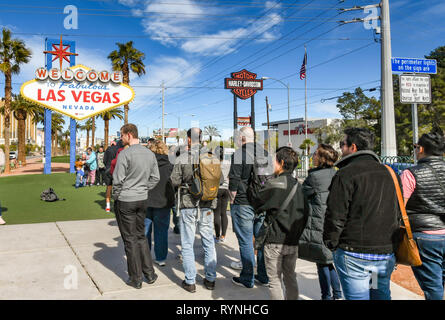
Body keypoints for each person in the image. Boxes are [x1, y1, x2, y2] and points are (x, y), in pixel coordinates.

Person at [323, 128, 400, 300]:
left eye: (343, 144)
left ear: (353, 147)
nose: (340, 149)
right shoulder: (391, 173)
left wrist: (332, 243)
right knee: (379, 295)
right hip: (383, 253)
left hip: (353, 254)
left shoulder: (345, 174)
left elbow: (335, 215)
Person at [256, 147, 308, 300]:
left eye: (274, 160)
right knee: (290, 278)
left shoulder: (275, 184)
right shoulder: (300, 186)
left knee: (275, 281)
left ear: (282, 162)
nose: (272, 163)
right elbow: (306, 214)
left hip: (275, 240)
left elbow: (258, 202)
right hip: (293, 241)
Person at [112, 123, 160, 289]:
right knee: (140, 236)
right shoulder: (149, 153)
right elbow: (155, 178)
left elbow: (117, 180)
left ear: (129, 135)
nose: (120, 138)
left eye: (122, 135)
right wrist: (143, 189)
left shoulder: (125, 154)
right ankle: (150, 274)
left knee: (130, 239)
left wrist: (115, 197)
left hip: (126, 199)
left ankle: (136, 278)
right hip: (142, 199)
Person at [170, 128, 217, 293]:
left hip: (188, 203)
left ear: (189, 139)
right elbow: (221, 179)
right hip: (208, 204)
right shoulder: (212, 157)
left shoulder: (183, 158)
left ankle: (190, 281)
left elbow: (174, 180)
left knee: (187, 243)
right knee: (208, 241)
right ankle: (210, 279)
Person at [400, 131, 445, 300]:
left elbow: (400, 208)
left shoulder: (410, 173)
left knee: (433, 287)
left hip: (425, 237)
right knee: (439, 283)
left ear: (421, 149)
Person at [299, 144, 343, 300]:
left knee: (322, 262)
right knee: (329, 261)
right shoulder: (337, 174)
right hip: (332, 222)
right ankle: (337, 294)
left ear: (323, 158)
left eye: (316, 154)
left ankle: (327, 296)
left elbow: (301, 194)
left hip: (318, 223)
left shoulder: (314, 177)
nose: (313, 156)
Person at [228, 126, 269, 288]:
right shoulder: (265, 153)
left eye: (238, 137)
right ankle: (263, 277)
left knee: (245, 241)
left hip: (243, 202)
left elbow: (234, 181)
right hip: (262, 202)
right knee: (260, 241)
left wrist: (232, 201)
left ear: (242, 138)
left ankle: (247, 278)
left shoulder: (239, 154)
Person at [145, 140, 175, 267]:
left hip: (146, 200)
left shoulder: (147, 164)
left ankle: (145, 256)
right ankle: (161, 257)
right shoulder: (170, 164)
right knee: (161, 231)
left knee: (145, 231)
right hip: (164, 202)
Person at [214, 146, 230, 243]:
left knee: (216, 213)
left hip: (217, 189)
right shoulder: (228, 163)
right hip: (226, 189)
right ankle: (223, 235)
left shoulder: (214, 164)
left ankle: (217, 236)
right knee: (223, 213)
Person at [104, 140, 123, 212]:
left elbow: (104, 160)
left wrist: (107, 166)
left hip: (108, 169)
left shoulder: (109, 149)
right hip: (117, 170)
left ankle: (108, 206)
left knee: (108, 187)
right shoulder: (122, 150)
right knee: (119, 188)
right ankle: (118, 206)